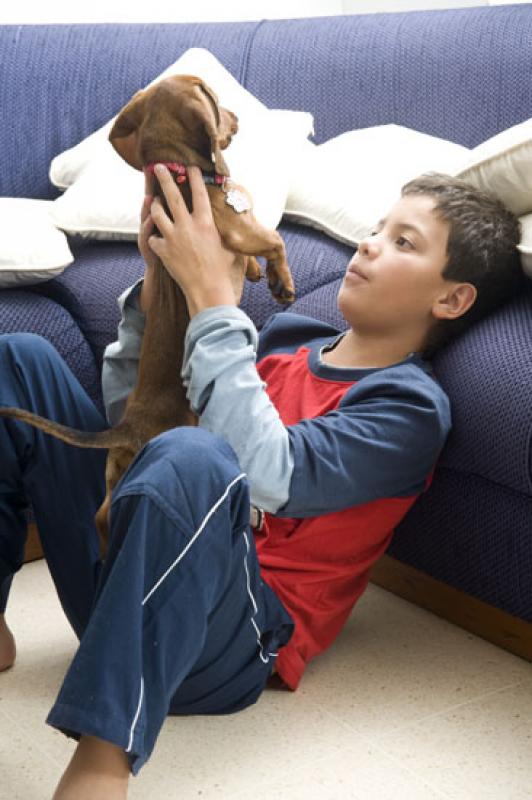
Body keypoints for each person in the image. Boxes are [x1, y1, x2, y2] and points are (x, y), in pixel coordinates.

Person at [0, 166, 521, 799]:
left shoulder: (407, 408)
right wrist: (160, 288)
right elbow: (138, 430)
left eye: (404, 242)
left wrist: (216, 305)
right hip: (127, 584)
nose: (370, 243)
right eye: (379, 228)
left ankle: (103, 760)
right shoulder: (280, 348)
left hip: (234, 645)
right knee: (19, 360)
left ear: (451, 300)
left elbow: (268, 477)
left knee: (195, 454)